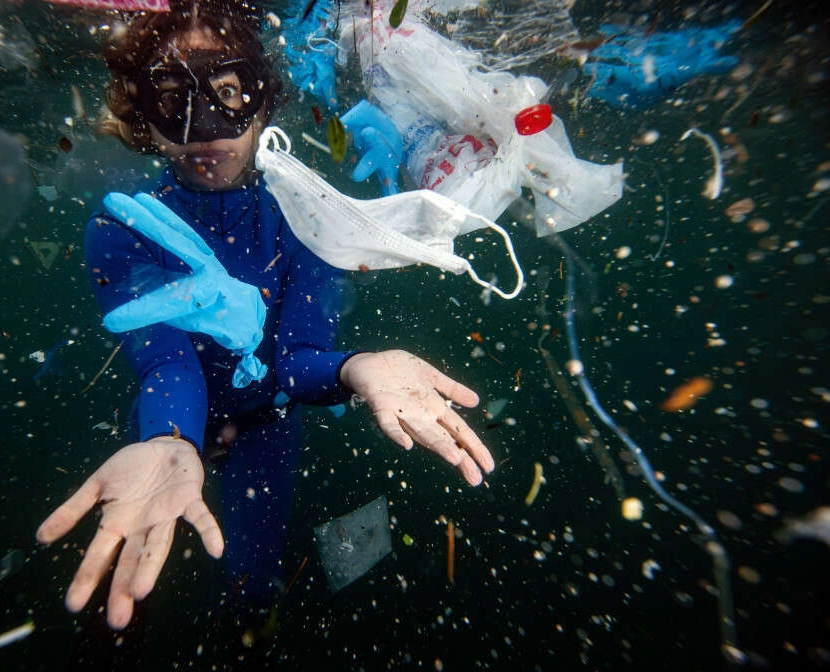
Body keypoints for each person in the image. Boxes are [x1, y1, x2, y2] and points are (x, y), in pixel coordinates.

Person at [36, 0, 494, 632]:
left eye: (227, 91)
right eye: (173, 99)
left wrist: (359, 367)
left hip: (265, 422)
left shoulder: (304, 215)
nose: (205, 128)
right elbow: (166, 362)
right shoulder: (123, 228)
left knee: (253, 584)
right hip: (167, 423)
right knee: (131, 571)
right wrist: (170, 439)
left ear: (261, 103)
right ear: (144, 118)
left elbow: (300, 360)